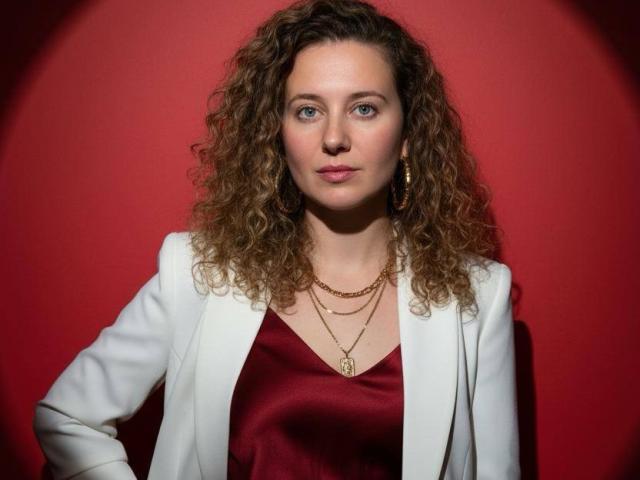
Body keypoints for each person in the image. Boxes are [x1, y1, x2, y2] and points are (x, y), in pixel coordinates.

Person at [33, 0, 520, 478]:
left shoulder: (478, 296)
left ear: (408, 132)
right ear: (277, 133)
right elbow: (68, 418)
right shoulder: (198, 272)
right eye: (308, 111)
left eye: (364, 108)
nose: (334, 138)